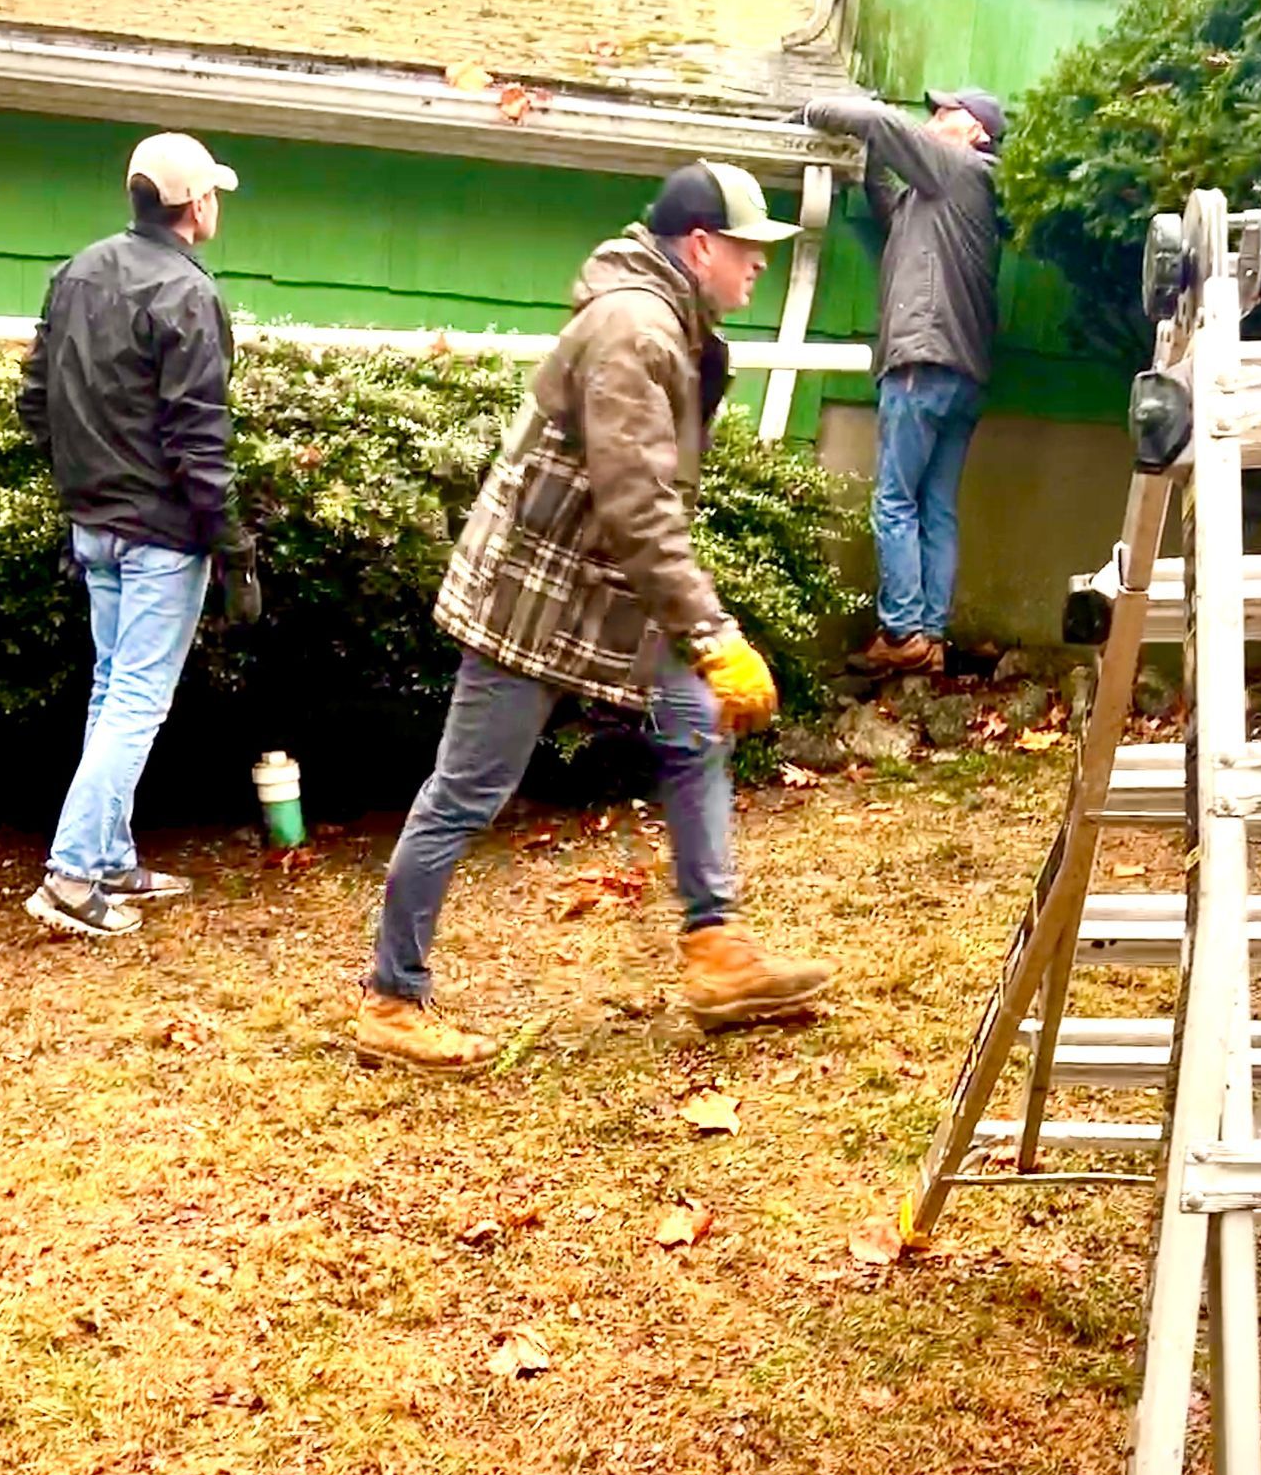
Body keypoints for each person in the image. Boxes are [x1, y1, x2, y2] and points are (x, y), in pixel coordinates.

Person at [354, 160, 838, 1072]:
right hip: (533, 603)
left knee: (696, 730)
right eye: (748, 249)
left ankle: (716, 950)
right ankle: (392, 996)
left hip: (599, 599)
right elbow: (637, 507)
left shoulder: (665, 322)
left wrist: (694, 639)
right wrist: (712, 632)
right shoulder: (633, 331)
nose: (760, 266)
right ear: (700, 246)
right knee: (466, 794)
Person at [17, 130, 258, 939]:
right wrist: (230, 542)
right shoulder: (189, 295)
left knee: (110, 690)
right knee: (135, 704)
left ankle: (111, 856)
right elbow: (200, 435)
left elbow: (35, 401)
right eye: (213, 193)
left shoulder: (76, 272)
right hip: (161, 535)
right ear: (196, 203)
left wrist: (81, 487)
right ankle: (73, 875)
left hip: (94, 526)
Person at [803, 85, 1004, 675]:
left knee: (895, 500)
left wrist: (814, 110)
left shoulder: (961, 168)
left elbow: (880, 123)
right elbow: (886, 200)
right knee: (935, 504)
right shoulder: (944, 200)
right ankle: (931, 636)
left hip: (922, 361)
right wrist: (869, 160)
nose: (934, 118)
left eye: (948, 112)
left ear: (979, 133)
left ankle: (902, 632)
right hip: (963, 372)